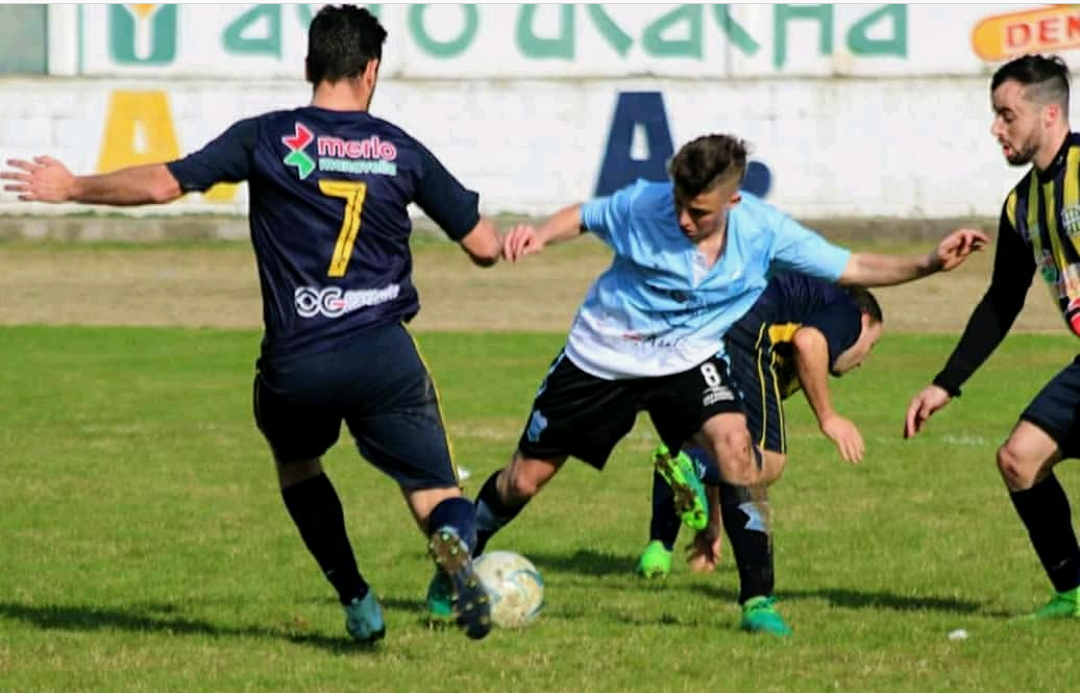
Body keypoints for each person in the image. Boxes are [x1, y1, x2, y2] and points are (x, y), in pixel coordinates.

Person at [1, 5, 501, 643]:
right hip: (384, 354)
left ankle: (356, 598)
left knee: (296, 463)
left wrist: (73, 187)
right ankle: (453, 541)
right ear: (371, 71)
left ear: (307, 67)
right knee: (432, 488)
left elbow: (163, 185)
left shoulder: (267, 137)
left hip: (300, 360)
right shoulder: (401, 150)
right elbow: (483, 246)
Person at [423, 132, 988, 623]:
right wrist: (541, 235)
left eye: (699, 211)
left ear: (734, 201)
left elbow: (854, 267)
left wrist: (929, 263)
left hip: (688, 358)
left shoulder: (764, 231)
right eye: (680, 206)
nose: (684, 219)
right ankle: (456, 565)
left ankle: (758, 601)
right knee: (523, 481)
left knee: (737, 446)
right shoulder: (645, 205)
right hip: (603, 354)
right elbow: (586, 214)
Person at [904, 53, 1080, 620]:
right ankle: (1074, 592)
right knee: (1019, 459)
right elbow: (1002, 302)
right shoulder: (1021, 204)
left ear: (1049, 114)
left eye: (1007, 115)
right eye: (995, 115)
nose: (995, 128)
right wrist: (945, 383)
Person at [637, 272, 884, 637]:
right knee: (769, 459)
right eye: (871, 346)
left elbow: (730, 449)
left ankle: (659, 548)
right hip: (740, 327)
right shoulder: (846, 311)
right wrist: (829, 418)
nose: (862, 360)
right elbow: (809, 341)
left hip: (699, 328)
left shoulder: (790, 336)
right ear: (865, 321)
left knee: (715, 450)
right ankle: (755, 598)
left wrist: (713, 525)